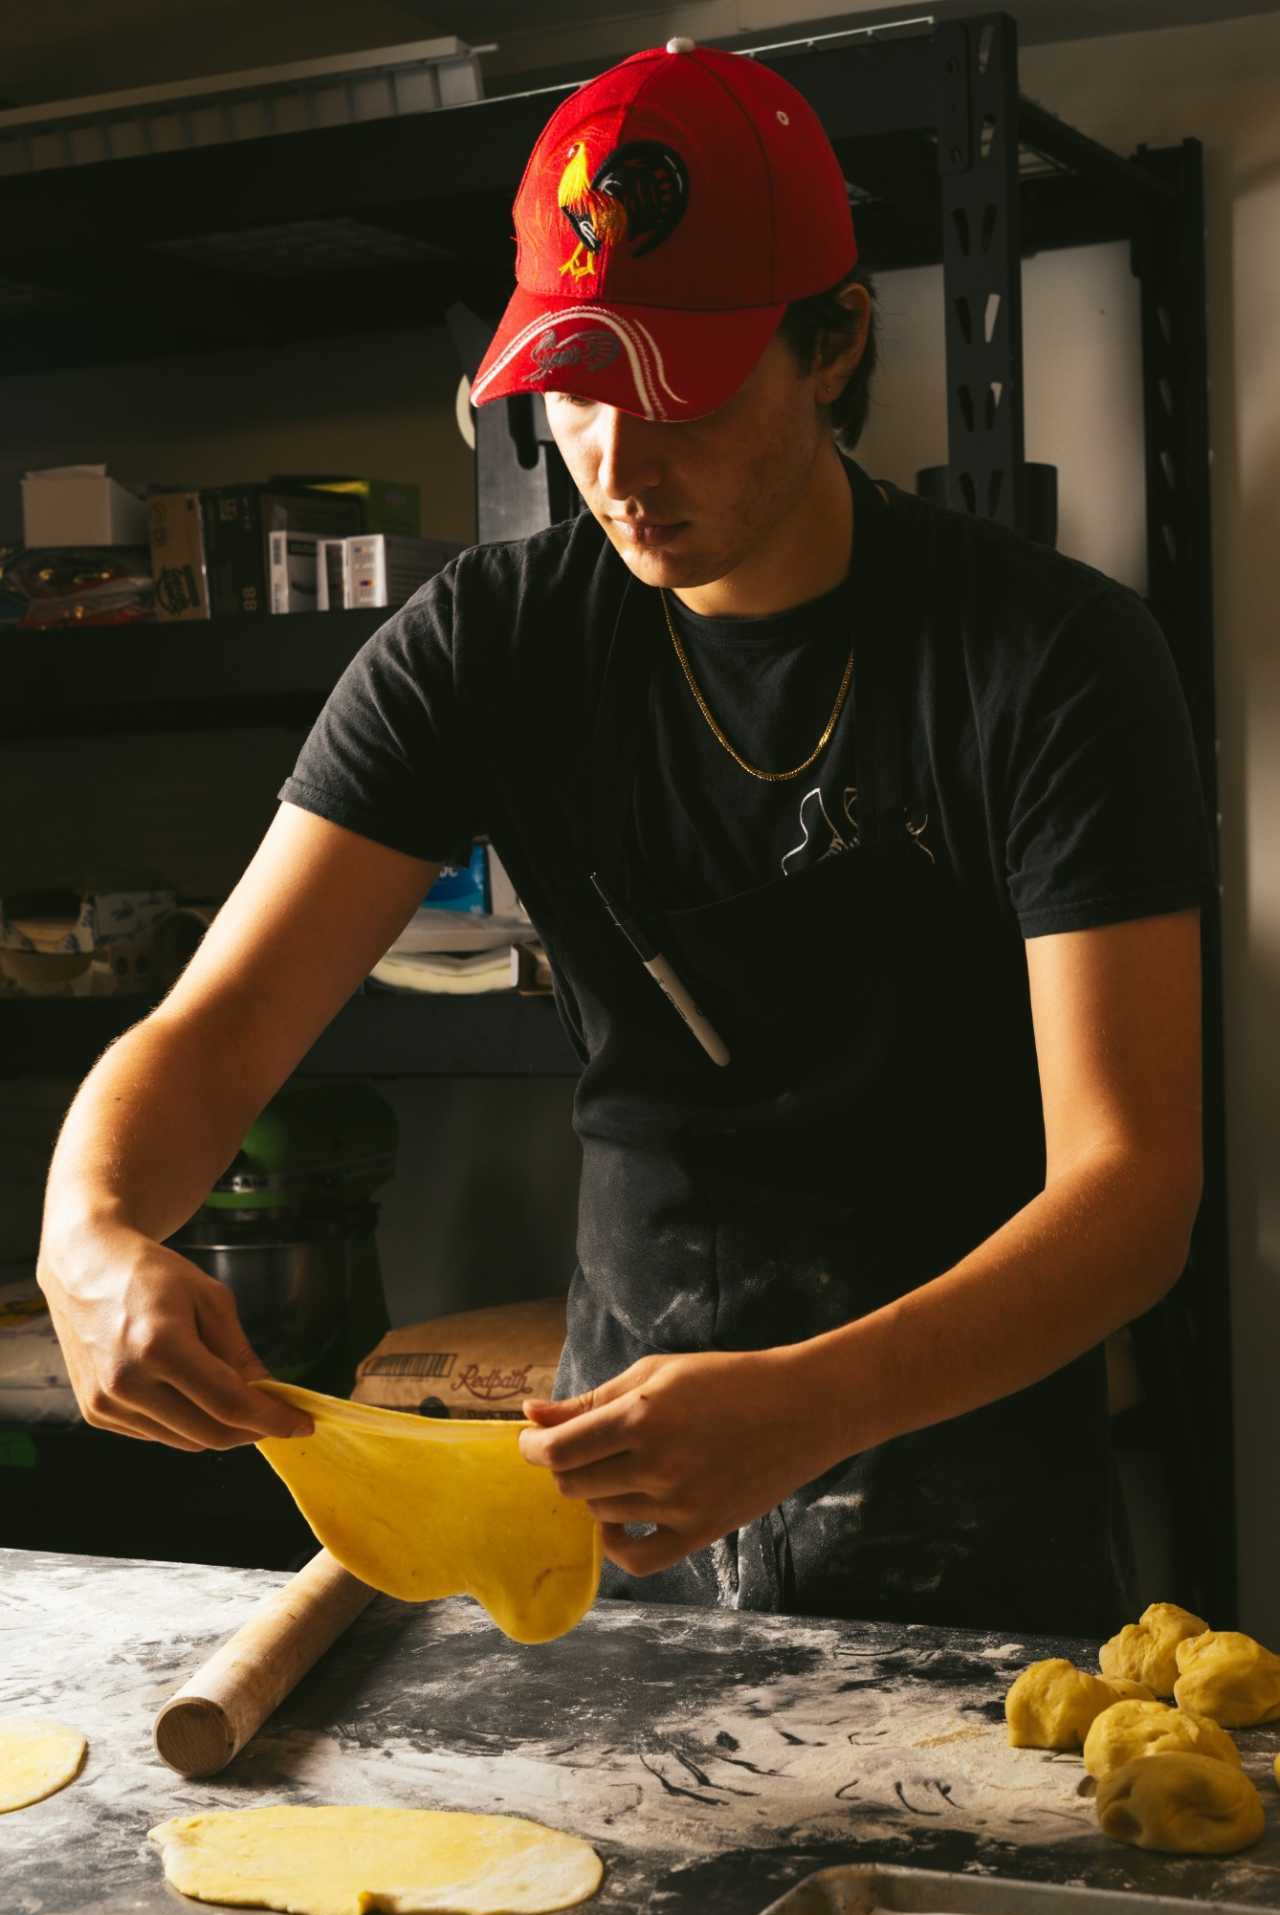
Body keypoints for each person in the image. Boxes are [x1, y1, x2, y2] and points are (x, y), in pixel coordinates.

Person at [37, 41, 1212, 1636]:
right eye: (577, 389)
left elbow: (1131, 1192)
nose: (621, 458)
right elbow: (218, 1024)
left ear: (837, 339)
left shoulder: (1052, 660)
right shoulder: (490, 645)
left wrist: (805, 1406)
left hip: (966, 1495)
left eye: (689, 389)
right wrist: (88, 1228)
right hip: (617, 1502)